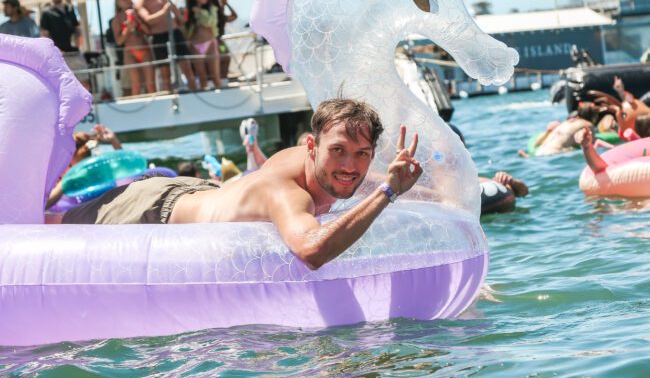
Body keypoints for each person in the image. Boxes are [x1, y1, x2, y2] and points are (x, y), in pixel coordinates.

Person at [60, 98, 423, 270]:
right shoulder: (286, 192)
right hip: (153, 208)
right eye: (338, 151)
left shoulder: (322, 164)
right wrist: (387, 192)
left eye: (362, 154)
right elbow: (311, 252)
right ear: (312, 147)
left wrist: (402, 179)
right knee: (50, 225)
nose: (349, 165)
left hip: (199, 190)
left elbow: (362, 172)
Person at [131, 0, 195, 92]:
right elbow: (148, 19)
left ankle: (194, 92)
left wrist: (177, 14)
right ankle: (169, 96)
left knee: (187, 68)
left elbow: (178, 15)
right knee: (165, 74)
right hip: (158, 37)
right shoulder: (139, 3)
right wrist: (165, 10)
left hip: (174, 34)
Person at [46, 124, 123, 209]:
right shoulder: (56, 180)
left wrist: (114, 140)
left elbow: (123, 170)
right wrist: (114, 141)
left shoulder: (91, 177)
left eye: (70, 165)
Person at [40, 0, 89, 89]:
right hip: (59, 55)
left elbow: (77, 28)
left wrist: (78, 41)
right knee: (64, 85)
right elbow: (44, 35)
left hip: (75, 52)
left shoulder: (69, 9)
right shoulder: (46, 12)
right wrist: (54, 50)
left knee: (84, 82)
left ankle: (87, 105)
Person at [111, 0, 156, 96]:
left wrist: (138, 21)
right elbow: (119, 41)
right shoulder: (116, 20)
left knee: (150, 85)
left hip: (144, 49)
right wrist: (128, 29)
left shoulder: (138, 13)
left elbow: (148, 31)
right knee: (136, 85)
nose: (128, 0)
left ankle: (155, 106)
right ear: (118, 3)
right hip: (130, 52)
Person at [185, 0, 221, 89]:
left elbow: (211, 22)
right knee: (202, 78)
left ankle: (221, 100)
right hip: (195, 46)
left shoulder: (212, 9)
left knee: (215, 77)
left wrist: (200, 12)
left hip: (210, 44)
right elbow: (186, 29)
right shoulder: (189, 12)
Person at [216, 0, 237, 84]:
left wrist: (226, 4)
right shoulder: (216, 17)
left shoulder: (222, 17)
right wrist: (225, 4)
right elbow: (234, 16)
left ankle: (223, 79)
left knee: (225, 58)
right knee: (223, 59)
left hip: (219, 42)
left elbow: (234, 16)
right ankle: (222, 79)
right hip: (216, 43)